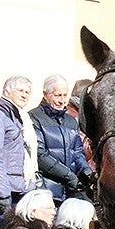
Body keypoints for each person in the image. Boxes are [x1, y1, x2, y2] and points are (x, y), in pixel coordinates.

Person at [0, 76, 41, 215]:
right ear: (7, 91)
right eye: (20, 90)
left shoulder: (22, 118)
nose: (24, 95)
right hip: (6, 192)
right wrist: (3, 193)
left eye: (27, 92)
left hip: (22, 189)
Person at [29, 75, 93, 203]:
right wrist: (69, 176)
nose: (62, 100)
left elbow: (78, 152)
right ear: (45, 94)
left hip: (72, 190)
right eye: (58, 95)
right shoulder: (34, 118)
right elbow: (40, 155)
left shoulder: (70, 121)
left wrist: (87, 172)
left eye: (65, 95)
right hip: (48, 189)